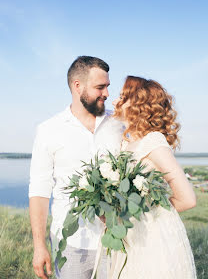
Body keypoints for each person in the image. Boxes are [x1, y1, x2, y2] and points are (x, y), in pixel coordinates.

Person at [29, 56, 124, 279]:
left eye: (108, 86)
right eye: (100, 87)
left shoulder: (119, 124)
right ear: (77, 86)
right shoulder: (48, 130)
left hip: (117, 239)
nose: (107, 94)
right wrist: (39, 245)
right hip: (71, 243)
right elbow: (40, 192)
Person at [109, 76, 197, 279]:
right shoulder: (126, 144)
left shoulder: (153, 142)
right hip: (129, 235)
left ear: (138, 104)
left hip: (152, 238)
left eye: (123, 97)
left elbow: (187, 199)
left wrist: (151, 212)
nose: (115, 101)